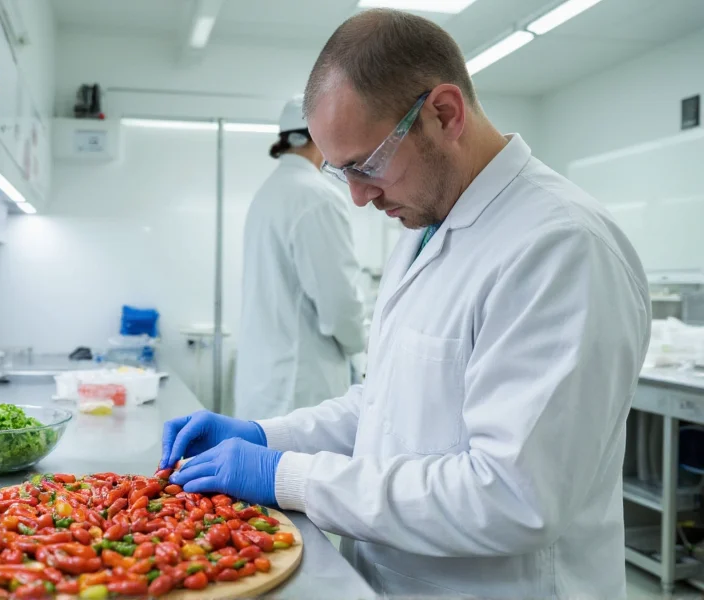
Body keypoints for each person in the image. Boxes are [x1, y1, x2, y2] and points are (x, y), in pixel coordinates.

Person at [160, 9, 651, 599]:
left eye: (366, 166)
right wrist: (268, 435)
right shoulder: (424, 228)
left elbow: (512, 496)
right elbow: (387, 406)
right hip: (388, 579)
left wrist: (288, 476)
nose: (362, 199)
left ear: (444, 114)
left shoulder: (561, 247)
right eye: (345, 175)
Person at [233, 95, 366, 421]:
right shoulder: (316, 196)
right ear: (322, 135)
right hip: (299, 388)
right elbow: (339, 305)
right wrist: (362, 346)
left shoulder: (269, 192)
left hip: (266, 385)